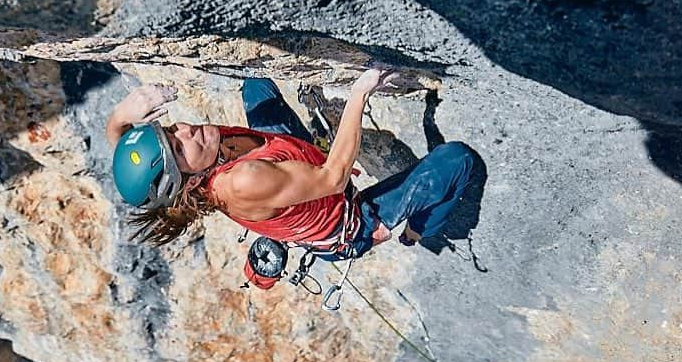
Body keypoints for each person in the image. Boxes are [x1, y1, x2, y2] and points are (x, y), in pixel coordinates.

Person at [105, 72, 479, 283]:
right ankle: (420, 229)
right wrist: (359, 93)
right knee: (457, 160)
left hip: (290, 160)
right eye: (178, 146)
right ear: (188, 181)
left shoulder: (201, 148)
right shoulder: (242, 181)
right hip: (349, 222)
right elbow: (333, 177)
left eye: (171, 129)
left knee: (254, 85)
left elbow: (128, 150)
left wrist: (123, 114)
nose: (186, 129)